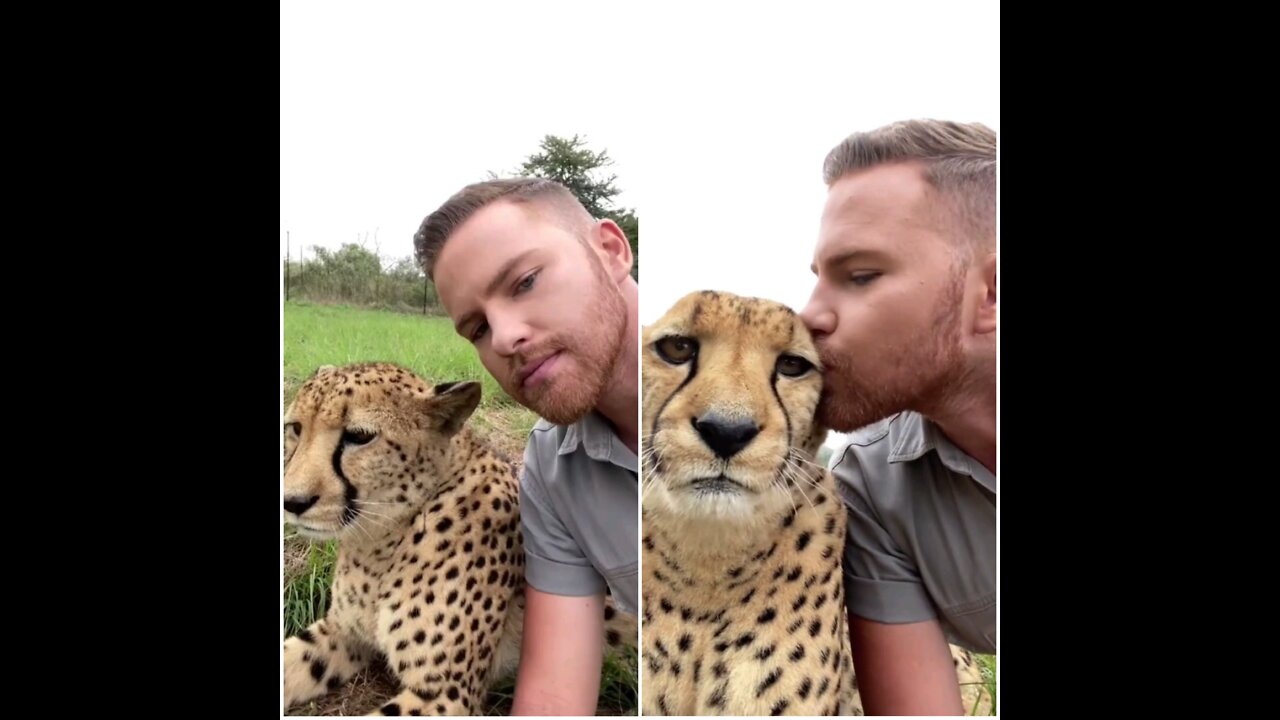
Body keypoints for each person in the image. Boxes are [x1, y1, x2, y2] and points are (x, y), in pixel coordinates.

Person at [414, 178, 638, 715]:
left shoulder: (773, 393)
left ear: (610, 250)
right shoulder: (551, 468)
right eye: (476, 328)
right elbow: (555, 696)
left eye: (525, 281)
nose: (505, 337)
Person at [799, 119, 997, 715]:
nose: (808, 316)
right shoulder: (871, 486)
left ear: (991, 292)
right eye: (819, 280)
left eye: (860, 276)